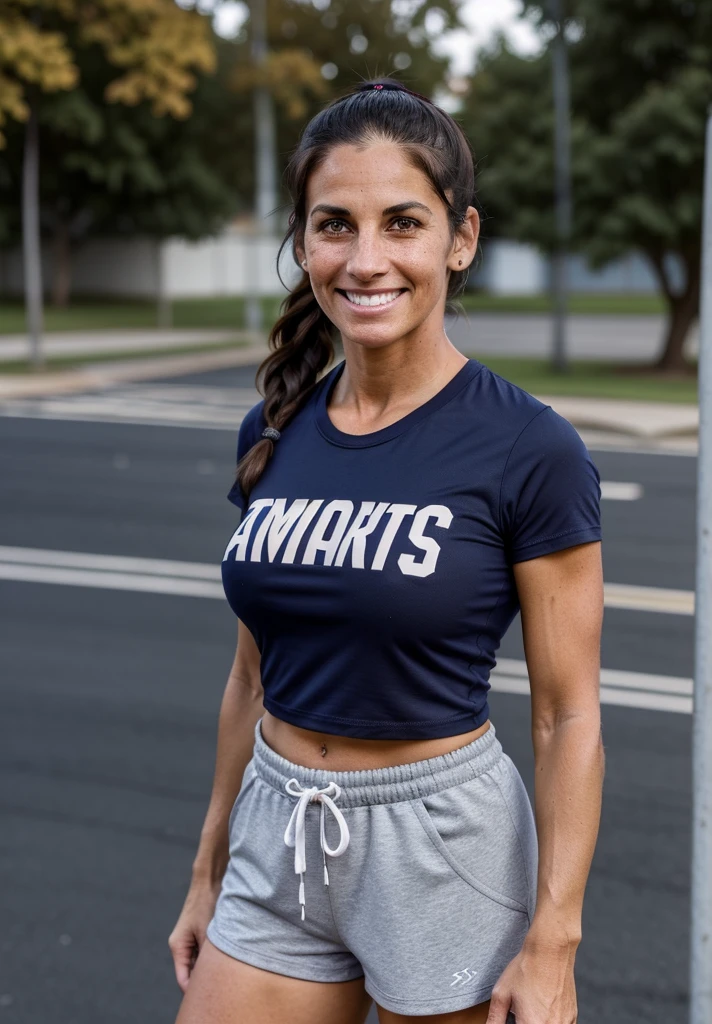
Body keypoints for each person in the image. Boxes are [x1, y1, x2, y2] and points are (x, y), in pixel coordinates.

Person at [169, 79, 604, 1024]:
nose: (366, 260)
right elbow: (250, 677)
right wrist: (209, 867)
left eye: (402, 223)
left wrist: (554, 940)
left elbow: (569, 715)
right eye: (336, 225)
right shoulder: (274, 427)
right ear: (304, 243)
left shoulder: (530, 449)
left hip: (440, 848)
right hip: (275, 832)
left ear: (462, 239)